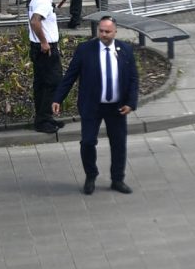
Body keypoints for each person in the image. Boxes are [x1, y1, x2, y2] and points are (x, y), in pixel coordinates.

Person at [52, 15, 140, 196]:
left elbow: (133, 78)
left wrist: (131, 103)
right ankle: (90, 175)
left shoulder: (125, 50)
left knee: (118, 143)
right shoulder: (85, 50)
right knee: (88, 142)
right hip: (92, 105)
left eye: (108, 31)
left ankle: (118, 179)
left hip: (116, 107)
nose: (104, 34)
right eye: (101, 31)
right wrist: (57, 98)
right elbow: (70, 75)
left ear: (115, 31)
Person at [28, 0, 66, 134]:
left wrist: (55, 8)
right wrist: (44, 42)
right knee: (53, 83)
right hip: (45, 48)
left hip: (39, 48)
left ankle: (45, 118)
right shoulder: (42, 1)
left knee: (42, 84)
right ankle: (43, 120)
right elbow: (35, 21)